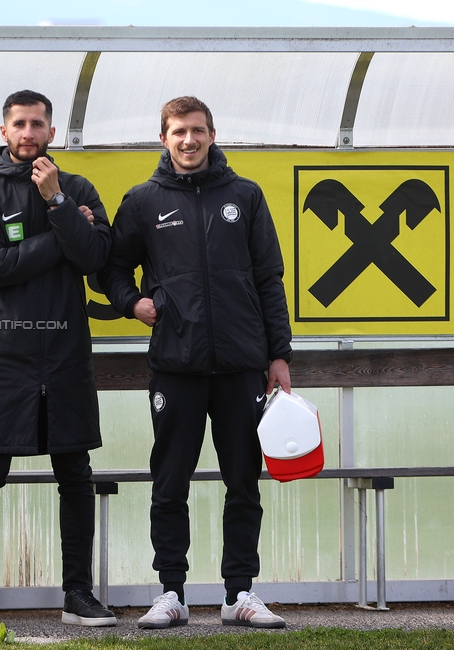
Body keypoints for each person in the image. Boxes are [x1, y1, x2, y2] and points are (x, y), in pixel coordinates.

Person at [98, 96, 292, 630]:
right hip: (175, 366)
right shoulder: (142, 201)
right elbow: (112, 268)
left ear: (212, 134)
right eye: (179, 131)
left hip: (241, 367)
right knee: (170, 482)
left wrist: (279, 355)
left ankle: (239, 594)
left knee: (243, 482)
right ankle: (171, 593)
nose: (189, 140)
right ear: (163, 137)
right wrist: (131, 302)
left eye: (198, 131)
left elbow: (269, 279)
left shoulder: (245, 196)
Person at [0, 90, 115, 630]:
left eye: (38, 125)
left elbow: (96, 259)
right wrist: (67, 230)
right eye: (19, 124)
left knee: (76, 473)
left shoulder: (77, 188)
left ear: (53, 132)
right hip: (1, 356)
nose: (29, 133)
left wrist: (58, 202)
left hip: (66, 354)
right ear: (4, 131)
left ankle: (79, 596)